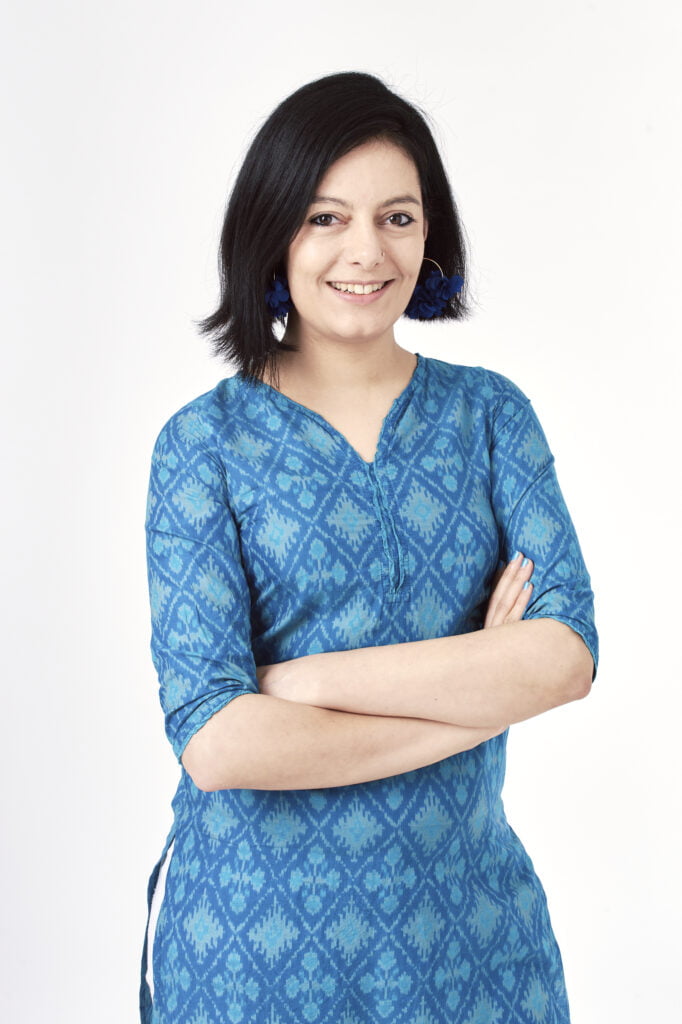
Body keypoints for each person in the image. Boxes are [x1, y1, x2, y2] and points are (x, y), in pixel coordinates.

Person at [140, 72, 597, 1024]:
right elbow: (219, 741)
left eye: (397, 217)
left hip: (474, 949)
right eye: (324, 217)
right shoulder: (203, 446)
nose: (365, 250)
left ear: (431, 236)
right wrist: (475, 699)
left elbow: (563, 656)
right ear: (274, 231)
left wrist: (302, 682)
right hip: (250, 955)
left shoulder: (489, 418)